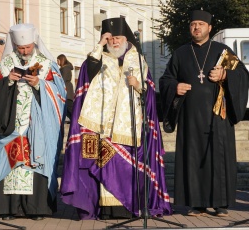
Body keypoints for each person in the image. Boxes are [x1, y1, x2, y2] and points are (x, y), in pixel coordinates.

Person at [61, 17, 172, 220]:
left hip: (128, 127)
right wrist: (99, 45)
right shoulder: (97, 59)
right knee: (100, 165)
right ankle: (103, 209)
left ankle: (127, 207)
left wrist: (138, 85)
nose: (114, 42)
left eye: (117, 38)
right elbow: (87, 72)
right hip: (99, 127)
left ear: (126, 38)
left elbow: (149, 92)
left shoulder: (138, 59)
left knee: (125, 169)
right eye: (110, 38)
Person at [159, 10, 249, 217]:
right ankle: (196, 203)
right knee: (192, 159)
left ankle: (220, 204)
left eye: (200, 24)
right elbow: (165, 80)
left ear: (209, 27)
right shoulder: (181, 53)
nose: (196, 27)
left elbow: (243, 76)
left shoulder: (222, 51)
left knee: (218, 158)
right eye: (193, 24)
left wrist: (226, 74)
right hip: (190, 118)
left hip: (217, 117)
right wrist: (175, 87)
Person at [0, 23, 66, 220]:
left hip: (37, 125)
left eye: (27, 47)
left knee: (34, 163)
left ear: (34, 43)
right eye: (20, 48)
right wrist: (8, 82)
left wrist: (40, 84)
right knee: (12, 164)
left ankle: (36, 208)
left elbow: (60, 93)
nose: (24, 51)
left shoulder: (47, 64)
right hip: (10, 125)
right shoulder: (6, 64)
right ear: (14, 45)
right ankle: (9, 208)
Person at [57, 54, 74, 120]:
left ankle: (76, 120)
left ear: (61, 60)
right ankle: (73, 120)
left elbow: (62, 80)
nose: (57, 62)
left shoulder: (65, 68)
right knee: (66, 109)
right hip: (67, 90)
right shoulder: (65, 68)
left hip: (66, 91)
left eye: (58, 60)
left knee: (69, 108)